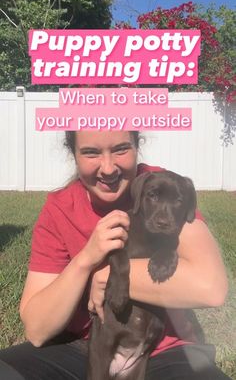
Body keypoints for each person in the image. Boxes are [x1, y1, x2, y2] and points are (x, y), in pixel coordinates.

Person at [0, 131, 231, 380]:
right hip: (85, 345)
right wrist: (86, 261)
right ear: (73, 154)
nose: (108, 168)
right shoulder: (60, 209)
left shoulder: (163, 185)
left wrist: (109, 276)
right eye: (91, 152)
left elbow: (212, 288)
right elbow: (37, 329)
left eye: (121, 149)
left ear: (136, 146)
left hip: (167, 350)